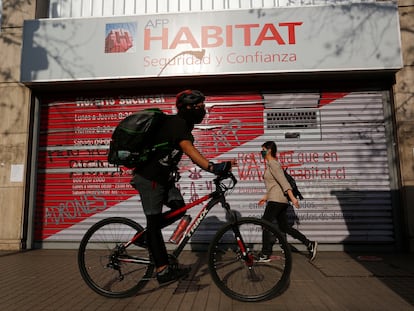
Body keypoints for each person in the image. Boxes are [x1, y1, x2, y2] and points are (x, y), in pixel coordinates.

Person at [131, 89, 232, 286]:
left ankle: (146, 237)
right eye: (200, 107)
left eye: (204, 106)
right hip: (149, 178)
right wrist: (213, 167)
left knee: (179, 209)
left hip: (163, 179)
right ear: (187, 108)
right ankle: (162, 269)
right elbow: (189, 150)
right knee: (154, 222)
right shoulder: (177, 124)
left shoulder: (183, 124)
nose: (203, 110)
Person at [258, 141, 318, 261]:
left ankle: (265, 254)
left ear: (269, 150)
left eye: (263, 149)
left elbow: (284, 182)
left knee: (265, 224)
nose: (261, 152)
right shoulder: (271, 164)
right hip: (277, 199)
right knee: (285, 227)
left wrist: (292, 198)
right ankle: (309, 244)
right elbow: (274, 185)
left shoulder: (274, 164)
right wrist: (266, 196)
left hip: (276, 201)